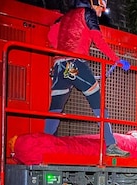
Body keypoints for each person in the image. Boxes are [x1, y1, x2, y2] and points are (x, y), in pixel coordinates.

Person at [46, 0, 131, 157]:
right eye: (100, 8)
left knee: (56, 107)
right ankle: (111, 145)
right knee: (99, 103)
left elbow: (51, 35)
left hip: (59, 65)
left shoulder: (64, 17)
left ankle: (45, 143)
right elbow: (98, 40)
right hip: (75, 63)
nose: (100, 13)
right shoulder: (88, 13)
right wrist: (116, 60)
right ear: (94, 2)